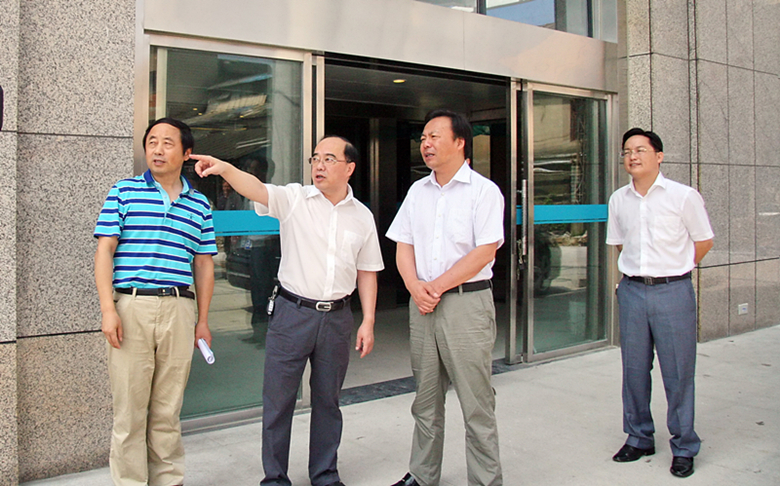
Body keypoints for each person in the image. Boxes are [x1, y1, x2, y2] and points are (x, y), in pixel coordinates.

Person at [190, 135, 384, 486]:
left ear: (349, 168)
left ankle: (325, 474)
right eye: (315, 159)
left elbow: (367, 270)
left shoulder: (362, 217)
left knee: (328, 401)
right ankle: (275, 478)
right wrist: (226, 169)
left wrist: (367, 320)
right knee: (278, 401)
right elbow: (256, 188)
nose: (319, 165)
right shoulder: (296, 199)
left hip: (337, 317)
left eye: (329, 159)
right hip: (292, 313)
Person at [94, 117, 217, 486]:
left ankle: (168, 481)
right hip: (132, 307)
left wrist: (202, 320)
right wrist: (108, 309)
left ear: (186, 153)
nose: (157, 149)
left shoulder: (200, 204)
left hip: (179, 308)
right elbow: (105, 251)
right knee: (129, 411)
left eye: (167, 143)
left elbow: (204, 265)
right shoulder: (124, 191)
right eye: (152, 142)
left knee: (167, 409)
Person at [386, 109, 504, 486]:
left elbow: (485, 251)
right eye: (423, 138)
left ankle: (485, 480)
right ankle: (422, 475)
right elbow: (404, 244)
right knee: (425, 398)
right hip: (422, 303)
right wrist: (413, 286)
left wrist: (435, 286)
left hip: (466, 304)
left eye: (434, 136)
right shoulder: (417, 192)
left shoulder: (484, 191)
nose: (426, 144)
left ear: (459, 142)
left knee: (476, 401)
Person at [606, 128, 714, 478]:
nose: (632, 156)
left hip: (673, 292)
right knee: (634, 370)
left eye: (640, 149)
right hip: (633, 291)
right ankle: (639, 437)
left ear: (659, 156)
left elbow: (703, 241)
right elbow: (620, 244)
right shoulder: (618, 199)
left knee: (678, 373)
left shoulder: (683, 196)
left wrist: (675, 268)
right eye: (627, 151)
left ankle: (684, 446)